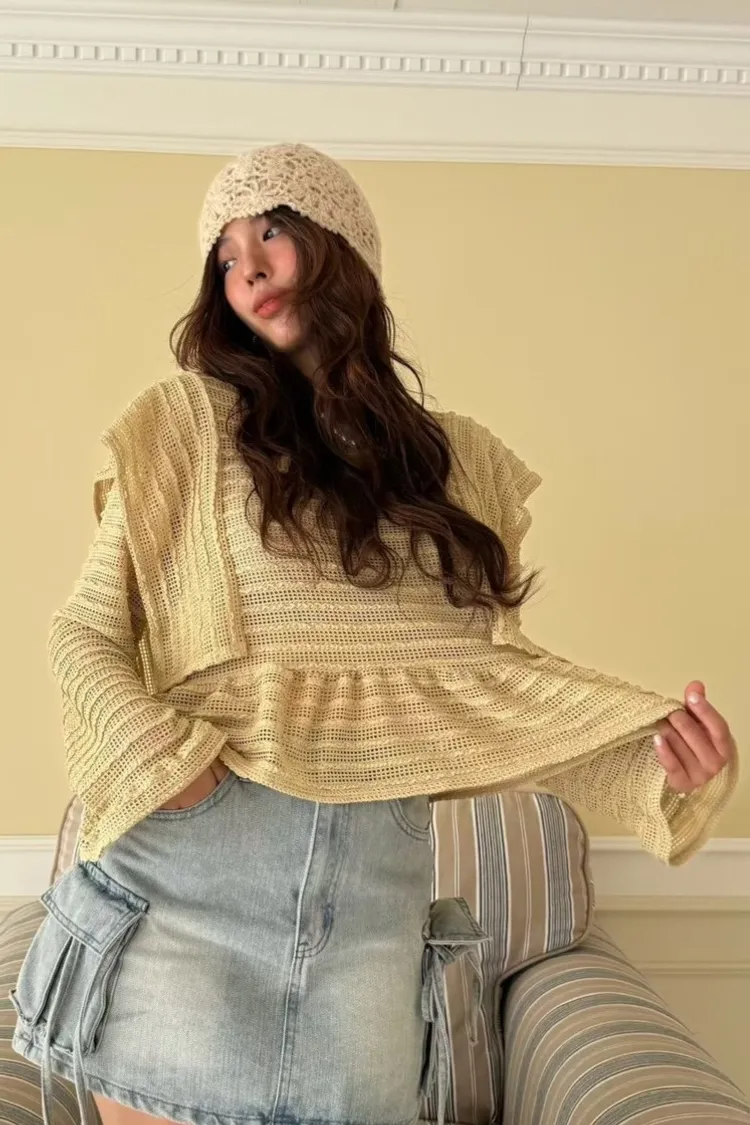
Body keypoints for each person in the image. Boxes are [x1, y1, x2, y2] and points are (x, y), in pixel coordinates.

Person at [12, 144, 737, 1125]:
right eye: (224, 256)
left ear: (340, 242)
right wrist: (176, 772)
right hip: (188, 902)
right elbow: (84, 633)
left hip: (369, 940)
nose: (247, 270)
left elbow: (480, 691)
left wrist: (656, 760)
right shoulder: (184, 427)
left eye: (271, 230)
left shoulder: (454, 465)